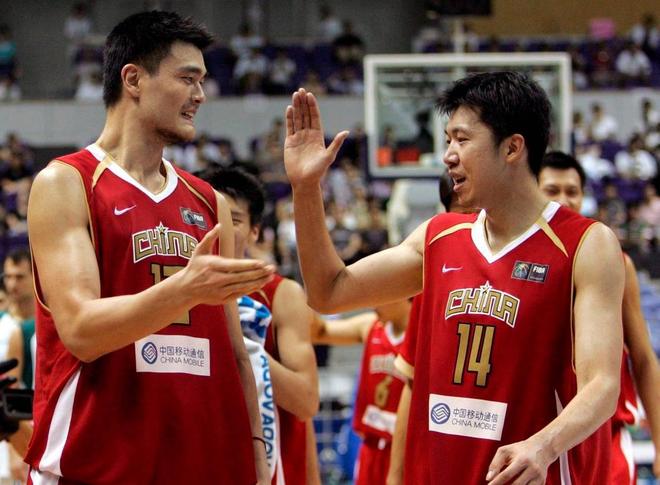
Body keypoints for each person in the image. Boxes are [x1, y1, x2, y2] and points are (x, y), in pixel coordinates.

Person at [283, 72, 624, 484]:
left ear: (512, 147)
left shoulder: (586, 244)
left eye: (461, 139)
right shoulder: (438, 236)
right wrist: (306, 189)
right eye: (447, 140)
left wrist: (543, 445)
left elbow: (602, 386)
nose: (447, 155)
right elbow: (328, 291)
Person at [25, 11, 274, 484]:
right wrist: (184, 290)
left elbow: (235, 353)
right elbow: (81, 330)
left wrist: (258, 455)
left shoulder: (210, 202)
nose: (201, 95)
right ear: (134, 79)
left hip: (201, 465)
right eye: (187, 79)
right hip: (96, 466)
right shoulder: (67, 183)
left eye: (202, 81)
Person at [538, 151, 660, 482]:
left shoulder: (616, 262)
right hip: (540, 439)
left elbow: (643, 358)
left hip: (606, 439)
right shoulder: (516, 262)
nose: (564, 200)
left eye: (572, 191)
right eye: (552, 190)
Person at [200, 167, 320, 485]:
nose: (220, 228)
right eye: (210, 215)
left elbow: (306, 400)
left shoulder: (281, 294)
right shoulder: (173, 291)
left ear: (255, 231)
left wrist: (245, 350)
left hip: (269, 467)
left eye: (233, 220)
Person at [311, 299, 411, 485]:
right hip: (370, 448)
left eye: (380, 295)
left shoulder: (423, 332)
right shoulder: (370, 325)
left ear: (403, 295)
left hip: (405, 453)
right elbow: (319, 332)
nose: (373, 303)